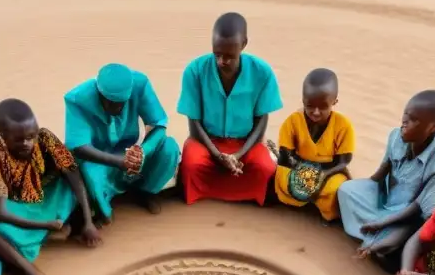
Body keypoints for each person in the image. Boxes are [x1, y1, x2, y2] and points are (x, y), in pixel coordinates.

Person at [0, 99, 101, 262]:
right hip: (15, 207)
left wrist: (88, 222)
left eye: (32, 136)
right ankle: (47, 233)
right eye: (19, 139)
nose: (28, 143)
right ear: (3, 135)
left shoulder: (45, 137)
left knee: (78, 174)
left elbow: (73, 176)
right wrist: (46, 225)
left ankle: (61, 228)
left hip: (46, 196)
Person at [177, 12, 283, 206]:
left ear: (243, 44)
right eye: (217, 54)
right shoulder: (194, 70)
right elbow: (194, 124)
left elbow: (261, 121)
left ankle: (245, 190)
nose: (221, 62)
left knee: (265, 167)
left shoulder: (262, 72)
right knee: (191, 164)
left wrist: (238, 155)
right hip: (207, 141)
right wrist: (218, 156)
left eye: (229, 56)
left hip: (246, 143)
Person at [337, 90, 435, 260]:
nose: (404, 122)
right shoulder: (395, 136)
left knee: (401, 233)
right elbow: (380, 174)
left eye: (414, 120)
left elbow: (420, 210)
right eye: (406, 114)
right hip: (385, 202)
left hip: (406, 215)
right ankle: (374, 235)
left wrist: (383, 222)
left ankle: (376, 239)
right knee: (346, 190)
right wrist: (358, 187)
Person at [64, 63, 180, 221]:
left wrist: (142, 152)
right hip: (99, 158)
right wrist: (120, 162)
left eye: (122, 103)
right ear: (99, 92)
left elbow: (159, 124)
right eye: (110, 102)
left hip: (130, 152)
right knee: (91, 173)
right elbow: (79, 147)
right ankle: (103, 208)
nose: (117, 107)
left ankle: (146, 192)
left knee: (170, 148)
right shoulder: (76, 99)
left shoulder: (140, 84)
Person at [273, 68, 355, 222]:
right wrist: (303, 172)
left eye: (323, 107)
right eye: (310, 105)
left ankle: (325, 213)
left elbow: (344, 161)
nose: (316, 112)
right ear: (303, 100)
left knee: (334, 188)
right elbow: (285, 156)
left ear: (334, 102)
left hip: (330, 169)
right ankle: (299, 203)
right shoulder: (292, 121)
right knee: (281, 178)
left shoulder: (344, 126)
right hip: (298, 165)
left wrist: (322, 174)